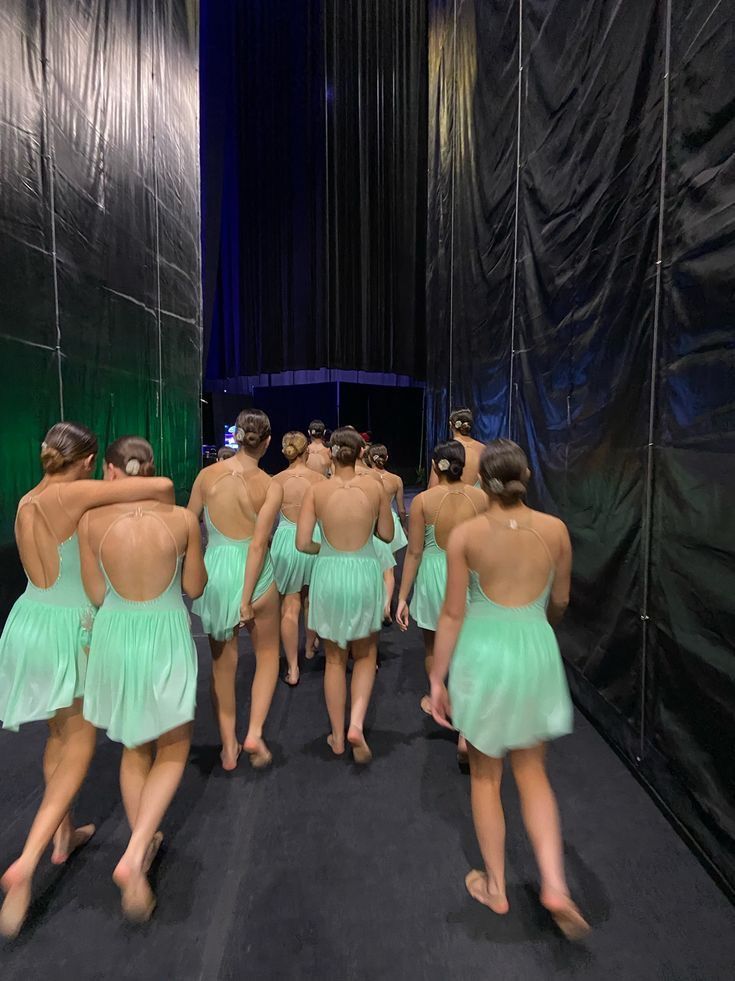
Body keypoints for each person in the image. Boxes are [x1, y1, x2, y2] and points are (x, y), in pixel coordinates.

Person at [0, 422, 174, 939]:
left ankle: (64, 834)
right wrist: (128, 476)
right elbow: (162, 489)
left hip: (27, 620)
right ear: (88, 460)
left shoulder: (28, 497)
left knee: (57, 734)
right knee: (79, 743)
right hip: (68, 627)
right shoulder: (74, 491)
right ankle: (28, 860)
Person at [429, 439, 589, 940]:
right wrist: (539, 624)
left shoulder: (467, 535)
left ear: (484, 482)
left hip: (484, 650)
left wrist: (437, 677)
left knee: (485, 777)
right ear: (525, 476)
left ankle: (496, 885)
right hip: (534, 647)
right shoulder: (556, 530)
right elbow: (560, 602)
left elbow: (453, 613)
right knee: (534, 773)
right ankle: (556, 884)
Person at [79, 437, 207, 923]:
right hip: (165, 628)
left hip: (116, 630)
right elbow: (194, 586)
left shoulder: (91, 521)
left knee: (134, 746)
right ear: (152, 469)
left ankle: (140, 845)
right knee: (174, 746)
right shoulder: (179, 520)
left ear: (111, 470)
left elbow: (95, 591)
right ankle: (135, 854)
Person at [188, 409, 283, 771]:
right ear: (268, 442)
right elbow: (259, 544)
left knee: (221, 666)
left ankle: (228, 747)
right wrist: (245, 598)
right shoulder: (272, 485)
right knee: (268, 655)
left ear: (238, 437)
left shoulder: (206, 476)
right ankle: (254, 731)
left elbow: (188, 523)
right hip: (254, 576)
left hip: (216, 572)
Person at [296, 428, 393, 763]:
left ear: (333, 455)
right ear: (360, 453)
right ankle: (356, 724)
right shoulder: (375, 487)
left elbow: (302, 543)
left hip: (329, 572)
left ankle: (337, 738)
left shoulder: (316, 491)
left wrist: (327, 549)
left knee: (334, 659)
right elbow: (387, 534)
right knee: (365, 655)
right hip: (365, 569)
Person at [396, 440, 486, 731]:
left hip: (434, 575)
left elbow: (414, 551)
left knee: (433, 644)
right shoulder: (481, 498)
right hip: (470, 574)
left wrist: (402, 596)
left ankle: (441, 699)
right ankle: (464, 713)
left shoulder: (424, 500)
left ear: (435, 465)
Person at [271, 432, 326, 684]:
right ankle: (310, 647)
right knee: (312, 599)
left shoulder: (275, 480)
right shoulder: (318, 480)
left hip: (284, 541)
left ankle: (293, 668)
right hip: (312, 537)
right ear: (306, 452)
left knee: (289, 606)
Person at [366, 443, 408, 620]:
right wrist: (404, 524)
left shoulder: (366, 478)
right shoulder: (396, 479)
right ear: (387, 457)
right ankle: (386, 606)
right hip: (390, 521)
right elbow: (401, 509)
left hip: (373, 521)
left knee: (374, 564)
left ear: (369, 458)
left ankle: (375, 603)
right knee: (389, 568)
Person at [428, 408, 485, 488]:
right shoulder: (484, 449)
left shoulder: (444, 450)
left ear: (451, 425)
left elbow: (433, 487)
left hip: (450, 499)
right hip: (478, 500)